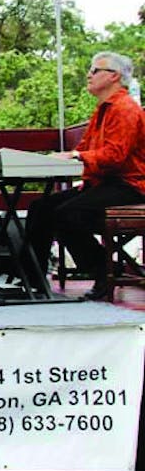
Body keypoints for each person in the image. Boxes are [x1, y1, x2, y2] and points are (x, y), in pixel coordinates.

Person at [25, 52, 145, 300]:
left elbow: (115, 156)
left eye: (95, 70)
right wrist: (65, 156)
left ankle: (104, 272)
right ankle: (31, 278)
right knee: (41, 207)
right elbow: (85, 149)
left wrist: (76, 157)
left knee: (69, 214)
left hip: (130, 186)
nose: (88, 75)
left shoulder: (124, 109)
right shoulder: (102, 110)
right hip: (104, 182)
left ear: (114, 76)